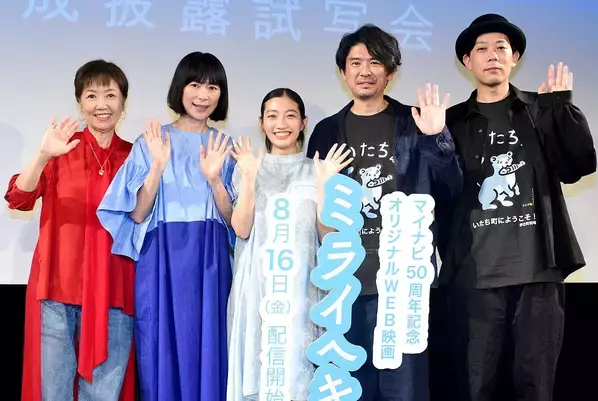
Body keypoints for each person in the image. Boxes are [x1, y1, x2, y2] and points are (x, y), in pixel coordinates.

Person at [436, 13, 596, 401]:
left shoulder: (542, 110)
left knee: (536, 386)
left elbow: (578, 166)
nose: (492, 55)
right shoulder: (449, 122)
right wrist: (429, 139)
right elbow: (441, 190)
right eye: (482, 49)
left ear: (515, 57)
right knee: (474, 387)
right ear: (467, 61)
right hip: (473, 275)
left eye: (501, 48)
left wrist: (562, 110)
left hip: (537, 271)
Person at [306, 24, 463, 400]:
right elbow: (315, 208)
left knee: (404, 391)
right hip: (346, 283)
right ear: (343, 72)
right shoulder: (327, 131)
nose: (365, 70)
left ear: (390, 72)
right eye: (355, 62)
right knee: (351, 389)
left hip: (403, 284)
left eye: (375, 62)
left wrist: (436, 138)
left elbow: (452, 188)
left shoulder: (414, 122)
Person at [96, 52, 235, 401]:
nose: (203, 95)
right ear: (180, 88)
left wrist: (215, 180)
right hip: (161, 258)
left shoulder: (226, 147)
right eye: (195, 85)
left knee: (210, 348)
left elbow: (235, 220)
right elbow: (137, 214)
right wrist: (157, 167)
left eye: (212, 87)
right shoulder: (152, 142)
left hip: (210, 259)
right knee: (159, 348)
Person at [4, 60, 136, 401]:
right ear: (80, 103)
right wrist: (43, 155)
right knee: (54, 393)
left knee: (103, 395)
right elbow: (18, 199)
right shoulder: (61, 148)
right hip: (58, 287)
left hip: (114, 289)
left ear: (124, 102)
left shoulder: (135, 156)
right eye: (91, 95)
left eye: (110, 95)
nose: (101, 105)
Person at [226, 88, 353, 401]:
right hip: (257, 288)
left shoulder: (317, 169)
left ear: (303, 122)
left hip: (302, 289)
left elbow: (327, 236)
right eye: (272, 116)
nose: (281, 124)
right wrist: (248, 178)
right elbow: (241, 228)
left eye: (290, 115)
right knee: (260, 371)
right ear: (261, 123)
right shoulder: (248, 167)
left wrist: (325, 185)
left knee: (299, 374)